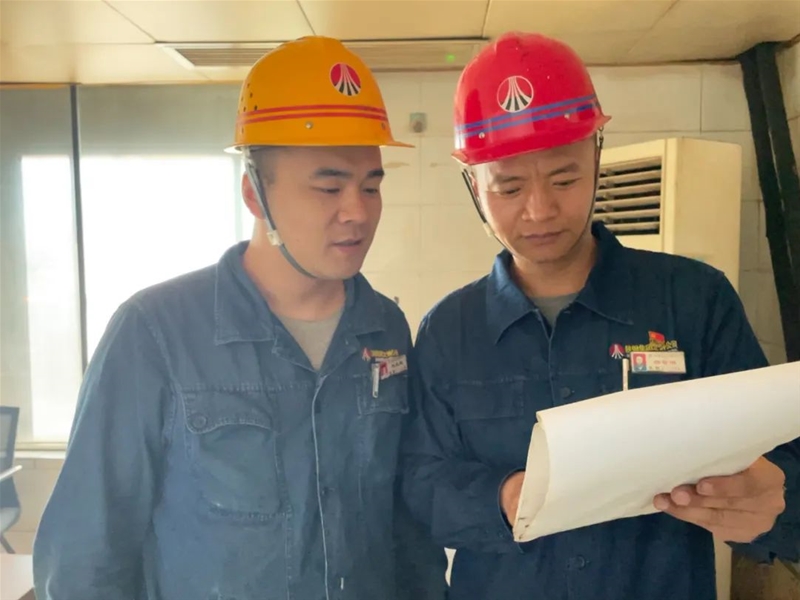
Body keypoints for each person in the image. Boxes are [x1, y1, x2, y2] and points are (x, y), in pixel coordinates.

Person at [33, 35, 446, 600]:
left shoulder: (384, 330)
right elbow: (85, 557)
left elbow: (406, 531)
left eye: (371, 187)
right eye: (329, 187)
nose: (357, 212)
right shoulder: (156, 334)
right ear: (255, 194)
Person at [401, 31, 799, 600]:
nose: (540, 210)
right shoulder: (448, 332)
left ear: (596, 153)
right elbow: (421, 482)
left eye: (564, 178)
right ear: (474, 185)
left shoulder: (693, 300)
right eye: (508, 187)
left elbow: (782, 460)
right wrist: (505, 499)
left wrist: (772, 500)